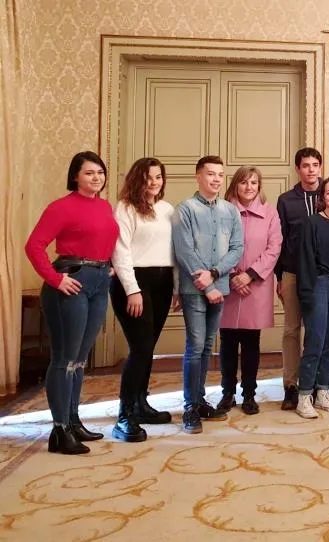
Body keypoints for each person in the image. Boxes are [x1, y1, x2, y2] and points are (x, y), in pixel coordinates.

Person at [25, 151, 119, 455]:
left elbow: (105, 241)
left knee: (80, 359)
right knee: (64, 358)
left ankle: (74, 420)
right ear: (75, 176)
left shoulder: (105, 206)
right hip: (70, 284)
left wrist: (109, 267)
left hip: (98, 282)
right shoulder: (61, 207)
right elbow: (34, 246)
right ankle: (59, 430)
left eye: (100, 172)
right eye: (90, 173)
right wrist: (55, 279)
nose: (97, 178)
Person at [172, 155, 244, 434]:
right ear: (198, 176)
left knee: (207, 346)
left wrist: (214, 275)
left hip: (220, 286)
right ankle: (190, 407)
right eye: (210, 174)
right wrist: (207, 284)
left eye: (220, 175)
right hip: (194, 289)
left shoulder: (230, 210)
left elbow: (237, 248)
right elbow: (184, 251)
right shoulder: (185, 209)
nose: (216, 179)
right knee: (196, 344)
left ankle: (201, 400)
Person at [110, 157, 177, 443]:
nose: (154, 182)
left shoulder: (167, 209)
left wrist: (175, 288)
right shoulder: (125, 208)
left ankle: (141, 403)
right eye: (149, 177)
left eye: (159, 177)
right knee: (140, 348)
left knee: (149, 348)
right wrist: (132, 289)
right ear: (138, 178)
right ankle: (124, 415)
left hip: (162, 283)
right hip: (134, 282)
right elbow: (120, 251)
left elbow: (175, 251)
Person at [216, 166, 282, 415]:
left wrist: (249, 275)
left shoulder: (270, 213)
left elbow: (274, 247)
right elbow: (217, 246)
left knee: (252, 342)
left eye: (253, 183)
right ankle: (227, 393)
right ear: (235, 185)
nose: (249, 187)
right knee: (228, 342)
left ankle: (249, 395)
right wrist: (233, 275)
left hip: (256, 285)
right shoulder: (222, 211)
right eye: (244, 182)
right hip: (228, 283)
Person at [296, 177, 329, 419]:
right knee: (315, 341)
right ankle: (304, 396)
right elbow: (305, 259)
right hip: (318, 282)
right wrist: (306, 293)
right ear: (322, 197)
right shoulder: (312, 223)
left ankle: (322, 393)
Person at [275, 147, 323, 410]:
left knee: (316, 331)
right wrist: (279, 276)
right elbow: (279, 239)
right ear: (298, 169)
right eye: (306, 165)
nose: (311, 169)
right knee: (292, 330)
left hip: (322, 275)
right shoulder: (286, 200)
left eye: (315, 164)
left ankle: (313, 383)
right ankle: (290, 386)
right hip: (293, 272)